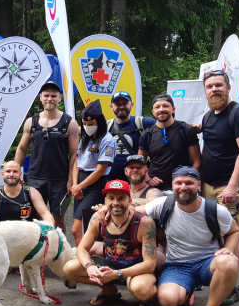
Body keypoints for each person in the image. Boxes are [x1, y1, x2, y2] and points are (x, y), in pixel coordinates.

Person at [143, 167, 239, 306]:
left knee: (229, 261)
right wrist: (104, 210)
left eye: (189, 183)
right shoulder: (163, 204)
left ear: (198, 185)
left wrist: (228, 249)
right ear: (172, 185)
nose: (183, 187)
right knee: (167, 301)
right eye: (179, 183)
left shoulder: (215, 210)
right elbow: (133, 213)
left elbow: (234, 231)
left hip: (207, 264)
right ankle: (185, 294)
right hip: (177, 266)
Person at [195, 70, 239, 305]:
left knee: (230, 233)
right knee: (213, 233)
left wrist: (231, 186)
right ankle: (218, 274)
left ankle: (232, 285)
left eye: (219, 85)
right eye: (210, 87)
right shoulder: (209, 116)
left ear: (228, 88)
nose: (214, 90)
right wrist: (199, 180)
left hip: (231, 186)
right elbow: (208, 149)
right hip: (209, 183)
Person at [63, 179, 158, 306]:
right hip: (110, 265)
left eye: (121, 198)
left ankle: (148, 298)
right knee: (70, 268)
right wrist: (89, 267)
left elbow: (149, 264)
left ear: (129, 201)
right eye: (111, 198)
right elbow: (82, 249)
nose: (115, 203)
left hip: (137, 270)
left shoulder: (145, 223)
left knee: (142, 289)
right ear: (105, 201)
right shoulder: (98, 218)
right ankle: (109, 291)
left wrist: (116, 274)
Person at [14, 81, 79, 232]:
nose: (50, 99)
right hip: (36, 177)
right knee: (35, 214)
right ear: (40, 97)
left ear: (59, 98)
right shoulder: (32, 122)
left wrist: (71, 178)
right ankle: (38, 247)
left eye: (53, 96)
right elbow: (22, 149)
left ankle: (61, 248)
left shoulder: (70, 123)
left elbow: (74, 153)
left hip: (59, 178)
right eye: (47, 96)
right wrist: (17, 171)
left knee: (57, 215)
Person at [71, 100, 116, 246]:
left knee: (77, 229)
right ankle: (84, 260)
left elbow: (100, 170)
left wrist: (79, 187)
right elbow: (77, 162)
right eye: (84, 124)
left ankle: (83, 261)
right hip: (81, 182)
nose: (87, 127)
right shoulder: (85, 137)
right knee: (83, 228)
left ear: (100, 122)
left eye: (90, 124)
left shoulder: (107, 140)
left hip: (96, 183)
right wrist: (75, 185)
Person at [138, 94, 200, 191]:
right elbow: (140, 163)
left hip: (181, 187)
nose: (161, 109)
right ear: (153, 112)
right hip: (154, 188)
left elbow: (197, 161)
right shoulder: (147, 134)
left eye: (165, 106)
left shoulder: (185, 130)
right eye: (157, 107)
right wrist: (148, 179)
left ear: (173, 109)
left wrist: (187, 180)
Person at [0, 160, 54, 226]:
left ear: (20, 174)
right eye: (8, 171)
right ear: (2, 174)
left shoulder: (32, 192)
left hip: (28, 235)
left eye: (15, 171)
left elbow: (45, 214)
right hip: (4, 235)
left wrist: (51, 229)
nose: (11, 174)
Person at [106, 91, 155, 182]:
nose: (121, 107)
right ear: (111, 107)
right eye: (117, 104)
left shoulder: (144, 123)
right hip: (109, 177)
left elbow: (169, 126)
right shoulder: (105, 126)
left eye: (125, 103)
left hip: (135, 176)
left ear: (131, 105)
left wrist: (189, 127)